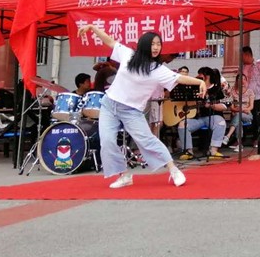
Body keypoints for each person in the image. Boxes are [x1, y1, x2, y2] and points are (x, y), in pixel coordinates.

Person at [76, 24, 206, 189]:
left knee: (148, 140)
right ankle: (124, 175)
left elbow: (179, 78)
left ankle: (173, 170)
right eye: (153, 44)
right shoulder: (128, 55)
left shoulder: (158, 70)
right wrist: (92, 27)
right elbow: (109, 41)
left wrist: (200, 81)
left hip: (132, 111)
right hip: (109, 105)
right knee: (107, 141)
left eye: (159, 44)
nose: (156, 47)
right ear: (144, 44)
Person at [178, 67, 228, 160]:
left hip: (213, 117)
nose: (198, 78)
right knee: (182, 124)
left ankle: (213, 150)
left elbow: (224, 106)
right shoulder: (195, 88)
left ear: (207, 76)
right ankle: (188, 151)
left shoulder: (217, 88)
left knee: (220, 122)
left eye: (201, 75)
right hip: (197, 118)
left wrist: (211, 106)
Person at [222, 73, 254, 152]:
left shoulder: (250, 91)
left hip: (247, 115)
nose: (242, 81)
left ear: (246, 80)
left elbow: (251, 106)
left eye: (244, 79)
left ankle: (228, 136)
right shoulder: (233, 91)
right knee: (239, 121)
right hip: (237, 114)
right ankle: (239, 145)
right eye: (240, 79)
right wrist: (240, 110)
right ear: (237, 81)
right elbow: (232, 107)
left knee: (238, 116)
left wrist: (243, 110)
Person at [241, 45, 260, 127]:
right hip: (244, 97)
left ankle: (256, 137)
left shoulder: (259, 65)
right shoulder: (241, 67)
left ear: (247, 55)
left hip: (257, 96)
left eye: (242, 55)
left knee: (257, 117)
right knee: (244, 116)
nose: (240, 58)